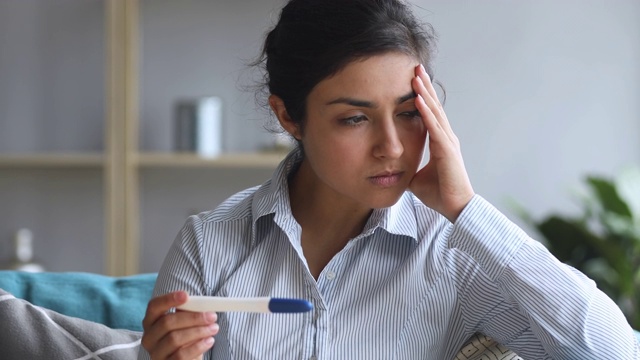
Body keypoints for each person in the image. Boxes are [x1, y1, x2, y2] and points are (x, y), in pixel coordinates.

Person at [138, 0, 639, 359]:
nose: (393, 147)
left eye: (408, 112)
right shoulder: (209, 244)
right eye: (355, 119)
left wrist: (466, 208)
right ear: (289, 116)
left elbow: (613, 353)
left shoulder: (452, 253)